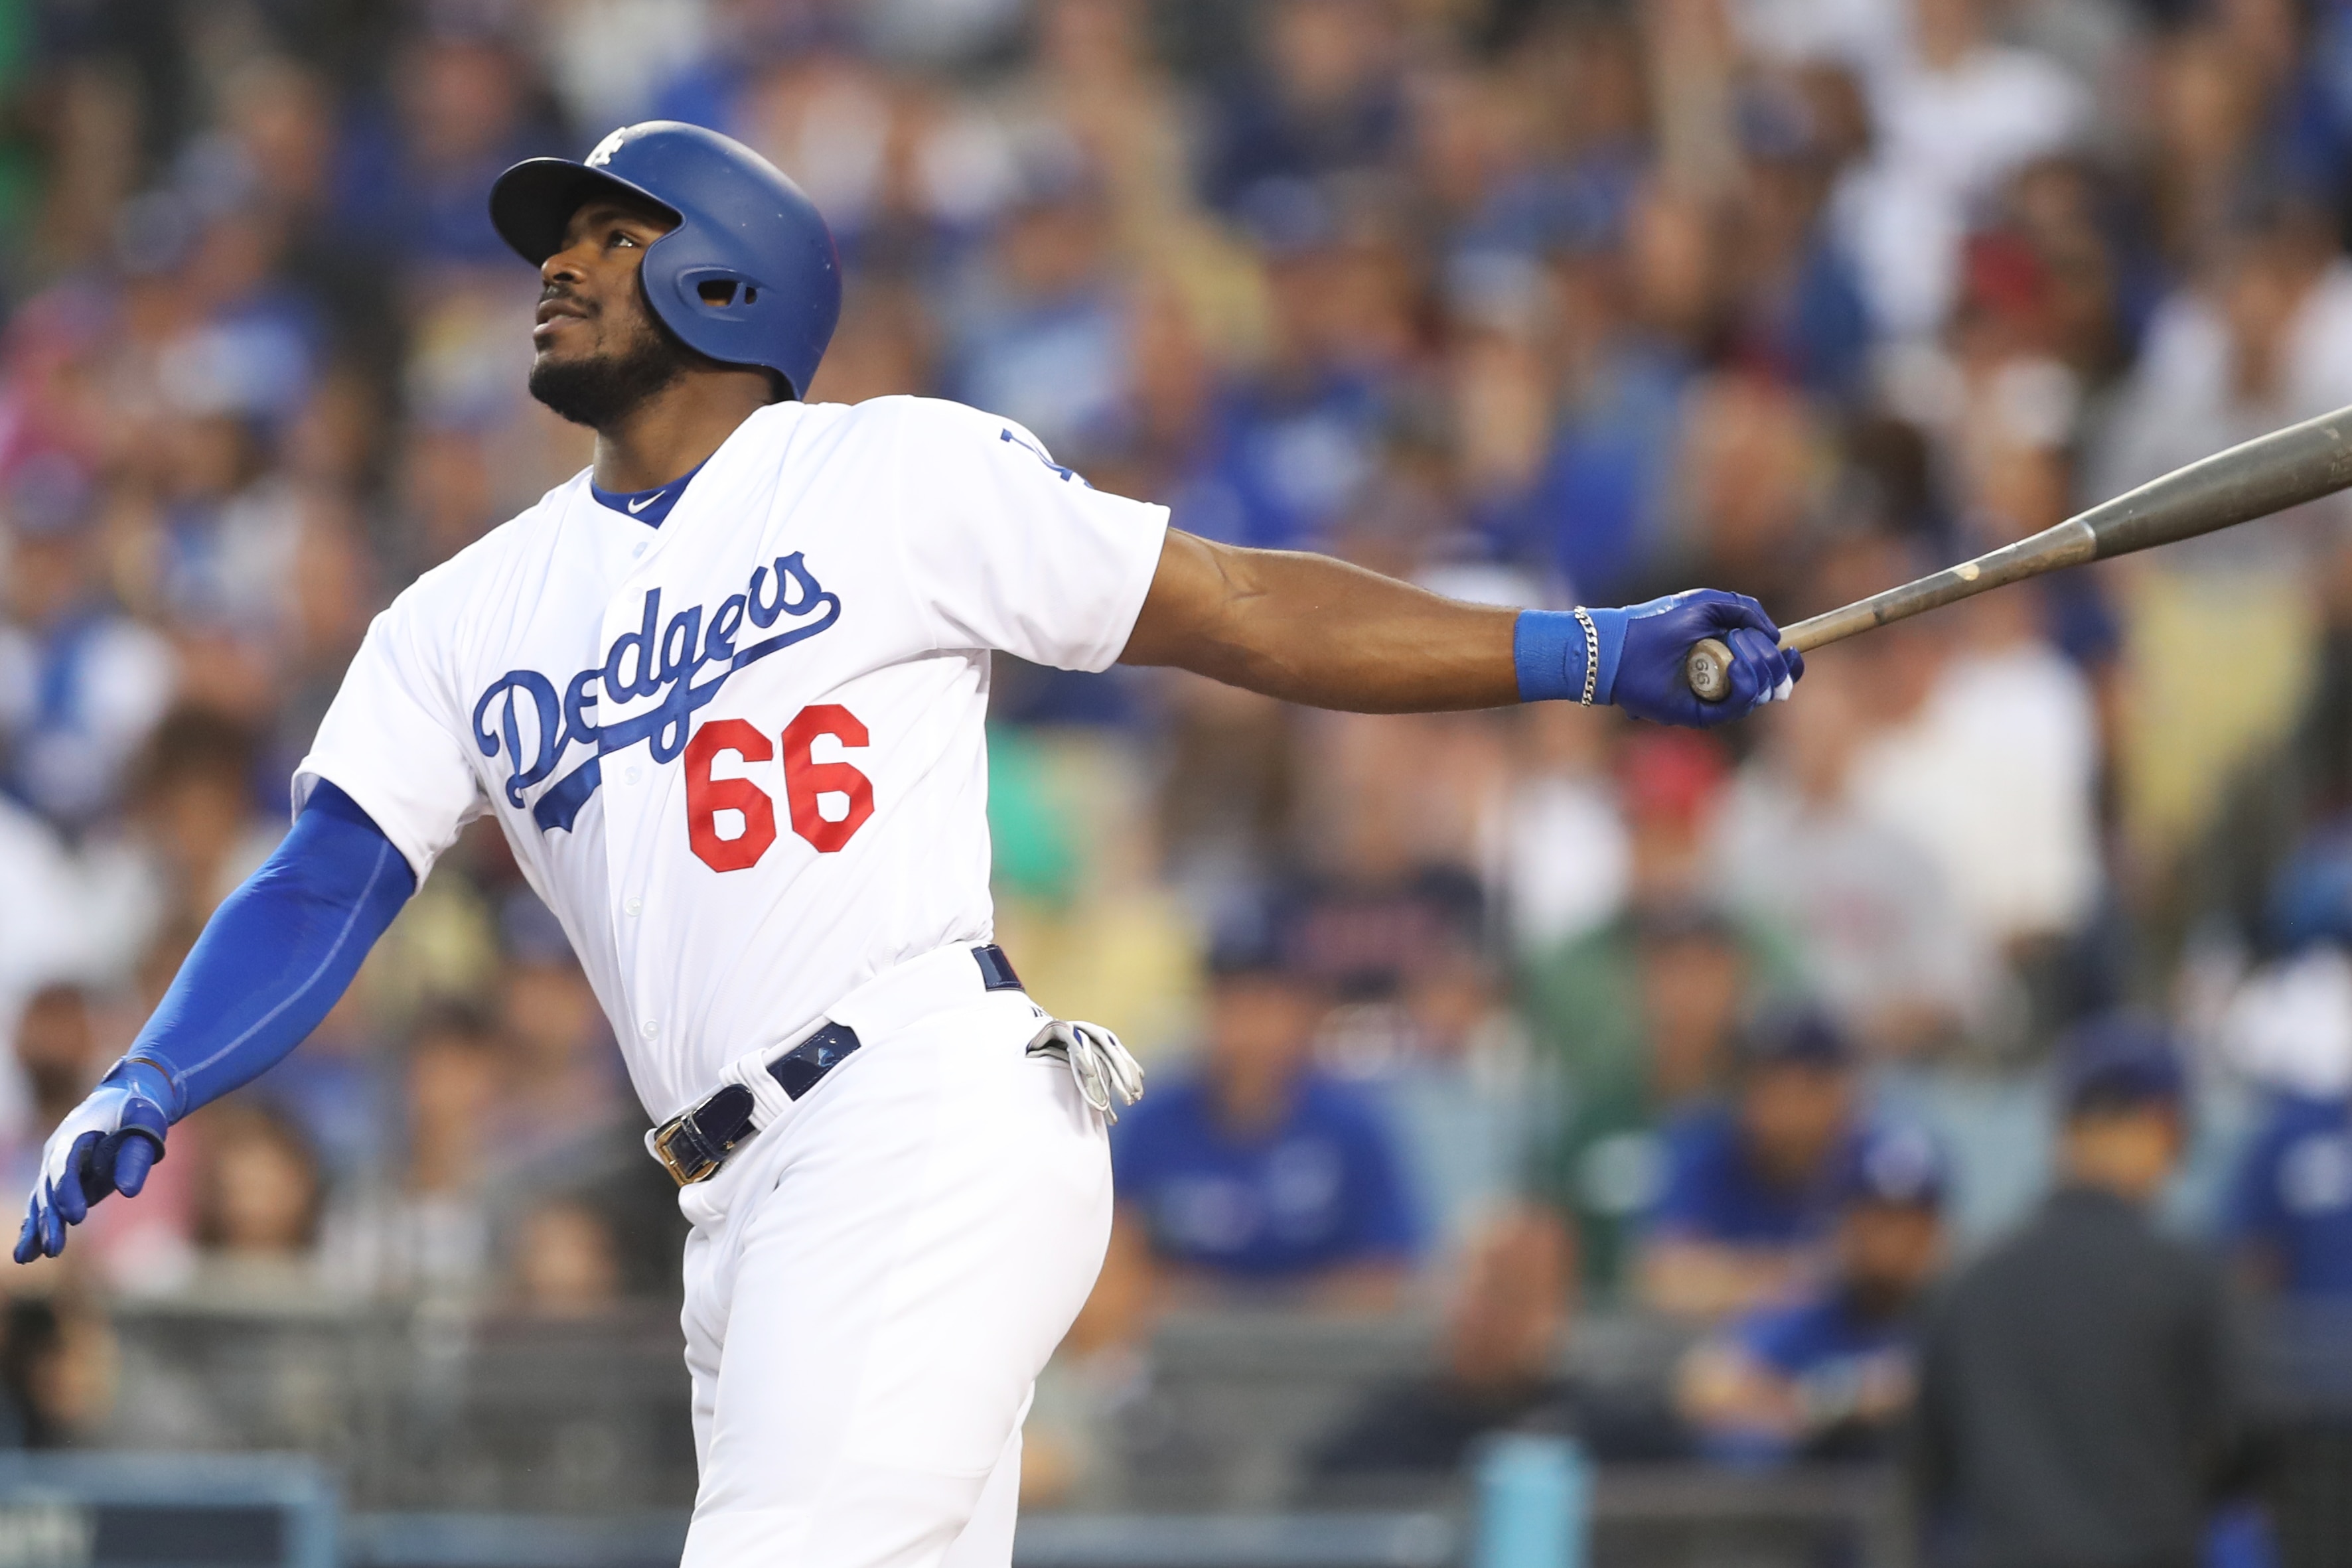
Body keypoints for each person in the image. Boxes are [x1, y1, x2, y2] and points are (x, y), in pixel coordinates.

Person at [10, 120, 1800, 1568]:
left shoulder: (890, 472)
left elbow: (1235, 603)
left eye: (607, 235)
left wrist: (1584, 648)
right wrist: (157, 1070)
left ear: (726, 273)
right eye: (557, 239)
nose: (554, 266)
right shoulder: (460, 615)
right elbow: (329, 871)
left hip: (917, 1113)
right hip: (734, 1204)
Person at [1911, 1017, 2258, 1568]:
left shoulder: (1970, 1282)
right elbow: (2238, 1448)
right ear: (2159, 1123)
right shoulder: (2187, 1277)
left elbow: (1929, 1465)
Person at [1107, 932, 1418, 1307]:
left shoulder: (1354, 1126)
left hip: (1327, 1351)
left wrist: (1282, 1312)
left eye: (1265, 1005)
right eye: (1229, 1004)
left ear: (1303, 1014)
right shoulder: (1150, 1125)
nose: (1247, 1029)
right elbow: (1114, 1263)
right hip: (1182, 1348)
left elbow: (1388, 1270)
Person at [1308, 1208, 1684, 1489]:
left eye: (1517, 1290)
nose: (1485, 1311)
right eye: (1474, 1285)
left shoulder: (1614, 1433)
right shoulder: (1377, 1441)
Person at [1676, 1121, 1947, 1465]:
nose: (1892, 1242)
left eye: (1910, 1222)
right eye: (1877, 1219)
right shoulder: (1822, 1304)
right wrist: (1826, 1400)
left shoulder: (1958, 1314)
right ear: (1848, 1223)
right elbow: (1704, 1385)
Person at [1637, 1007, 1863, 1321]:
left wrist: (1734, 1276)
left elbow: (1905, 1275)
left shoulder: (1876, 1160)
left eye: (1807, 1087)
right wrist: (1807, 1278)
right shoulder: (1704, 1147)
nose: (1787, 1109)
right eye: (1768, 1086)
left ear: (1842, 1091)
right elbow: (1663, 1278)